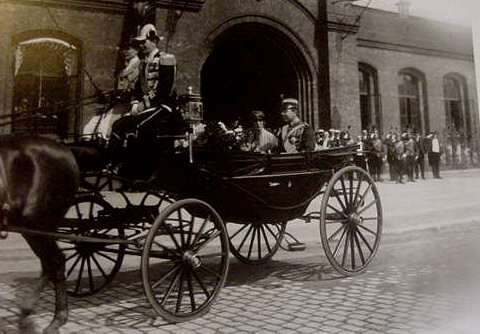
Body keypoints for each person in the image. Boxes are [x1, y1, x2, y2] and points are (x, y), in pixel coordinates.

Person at [106, 23, 177, 170]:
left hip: (163, 106)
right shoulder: (143, 62)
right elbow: (139, 88)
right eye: (140, 43)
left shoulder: (166, 59)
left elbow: (166, 89)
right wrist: (135, 104)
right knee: (119, 124)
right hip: (147, 106)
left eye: (143, 42)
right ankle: (112, 163)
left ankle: (137, 168)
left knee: (138, 125)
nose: (141, 45)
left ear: (154, 41)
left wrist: (147, 103)